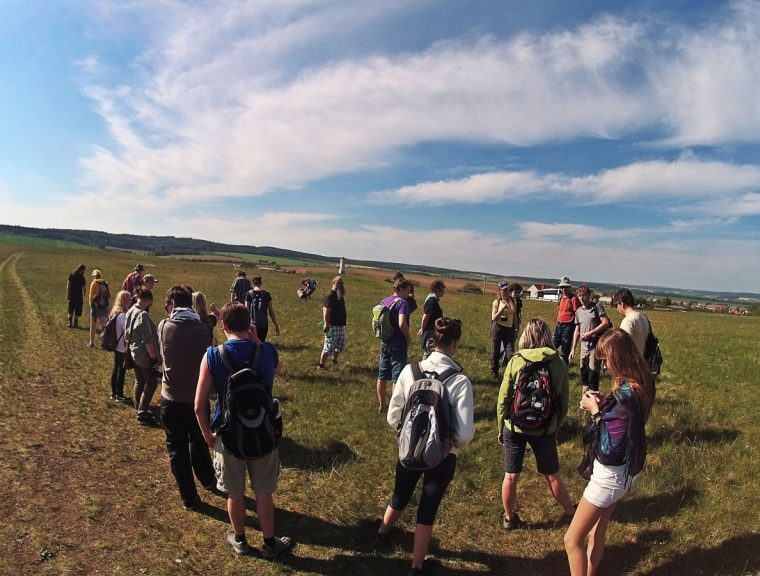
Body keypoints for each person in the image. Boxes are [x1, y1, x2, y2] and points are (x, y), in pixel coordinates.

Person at [375, 317, 475, 576]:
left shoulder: (410, 371)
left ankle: (382, 531)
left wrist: (406, 434)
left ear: (432, 339)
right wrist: (451, 445)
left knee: (400, 493)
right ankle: (416, 566)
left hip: (409, 448)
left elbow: (392, 415)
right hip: (442, 455)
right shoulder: (459, 381)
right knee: (427, 508)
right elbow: (465, 433)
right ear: (455, 343)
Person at [194, 301, 293, 558]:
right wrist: (258, 341)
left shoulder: (212, 355)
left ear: (223, 326)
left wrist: (207, 434)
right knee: (264, 492)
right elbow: (278, 369)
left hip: (228, 434)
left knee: (235, 492)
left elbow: (199, 405)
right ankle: (270, 543)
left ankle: (240, 539)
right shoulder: (266, 351)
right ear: (249, 325)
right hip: (263, 432)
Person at [564, 329, 655, 576]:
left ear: (618, 357)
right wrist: (607, 405)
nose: (605, 366)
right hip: (627, 472)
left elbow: (611, 446)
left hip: (609, 476)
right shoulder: (642, 384)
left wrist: (595, 412)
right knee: (597, 531)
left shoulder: (624, 395)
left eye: (606, 360)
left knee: (572, 540)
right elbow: (626, 424)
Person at [496, 317, 576, 530]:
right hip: (544, 428)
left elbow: (503, 397)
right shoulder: (558, 363)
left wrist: (501, 426)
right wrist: (556, 425)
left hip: (514, 425)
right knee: (552, 474)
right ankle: (570, 511)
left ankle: (509, 518)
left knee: (511, 475)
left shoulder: (516, 360)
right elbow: (563, 400)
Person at [157, 286, 217, 509]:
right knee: (200, 442)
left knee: (177, 450)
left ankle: (188, 497)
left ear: (172, 304)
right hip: (197, 399)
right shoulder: (204, 330)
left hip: (170, 399)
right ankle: (207, 478)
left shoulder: (163, 326)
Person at [125, 288, 161, 426]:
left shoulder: (131, 310)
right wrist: (153, 358)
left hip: (134, 352)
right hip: (144, 354)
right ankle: (142, 412)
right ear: (148, 300)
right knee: (151, 383)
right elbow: (147, 340)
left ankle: (138, 406)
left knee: (139, 380)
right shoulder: (143, 315)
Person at [376, 279, 413, 412]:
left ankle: (382, 405)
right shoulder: (402, 303)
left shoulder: (385, 300)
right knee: (397, 377)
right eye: (408, 290)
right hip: (398, 342)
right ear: (401, 289)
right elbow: (402, 323)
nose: (409, 293)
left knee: (382, 376)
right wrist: (408, 338)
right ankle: (394, 409)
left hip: (385, 341)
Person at [569, 285, 611, 394]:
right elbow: (577, 331)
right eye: (579, 296)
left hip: (595, 346)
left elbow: (605, 322)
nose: (581, 298)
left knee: (593, 374)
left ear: (589, 295)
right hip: (583, 348)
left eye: (583, 295)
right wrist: (573, 349)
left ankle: (594, 397)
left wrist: (591, 333)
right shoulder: (578, 311)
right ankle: (584, 397)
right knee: (584, 373)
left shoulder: (597, 307)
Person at [107, 290, 133, 403]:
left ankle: (114, 393)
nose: (131, 301)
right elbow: (127, 333)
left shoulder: (115, 313)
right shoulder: (124, 316)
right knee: (121, 371)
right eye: (129, 299)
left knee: (116, 368)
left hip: (116, 345)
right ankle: (119, 394)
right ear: (124, 301)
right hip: (122, 347)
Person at [490, 281, 517, 380]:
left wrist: (516, 328)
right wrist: (502, 309)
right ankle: (494, 372)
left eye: (507, 290)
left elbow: (515, 315)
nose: (506, 292)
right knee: (496, 350)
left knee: (510, 351)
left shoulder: (512, 301)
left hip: (509, 329)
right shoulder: (496, 302)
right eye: (503, 290)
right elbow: (493, 318)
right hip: (498, 328)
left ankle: (511, 373)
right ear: (499, 292)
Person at [319, 276, 347, 369]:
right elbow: (325, 310)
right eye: (338, 283)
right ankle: (321, 365)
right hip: (331, 326)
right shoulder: (330, 296)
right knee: (328, 346)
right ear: (333, 283)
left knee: (339, 345)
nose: (341, 285)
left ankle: (334, 360)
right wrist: (326, 324)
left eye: (342, 283)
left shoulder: (340, 296)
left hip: (340, 325)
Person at [613, 289, 650, 356]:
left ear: (622, 304)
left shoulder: (628, 321)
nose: (617, 309)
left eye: (616, 305)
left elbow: (623, 347)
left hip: (631, 360)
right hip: (643, 360)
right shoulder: (644, 318)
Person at [553, 276, 580, 363]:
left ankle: (564, 366)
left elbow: (577, 313)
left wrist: (577, 327)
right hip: (559, 324)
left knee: (565, 349)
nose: (563, 289)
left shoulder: (573, 298)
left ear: (569, 287)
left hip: (568, 326)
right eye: (562, 287)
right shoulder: (561, 297)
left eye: (565, 287)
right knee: (553, 345)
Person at [245, 276, 280, 342]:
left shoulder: (248, 294)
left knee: (252, 343)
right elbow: (271, 311)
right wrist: (276, 325)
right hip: (264, 325)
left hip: (252, 325)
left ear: (252, 284)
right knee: (261, 342)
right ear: (261, 283)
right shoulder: (266, 294)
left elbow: (246, 311)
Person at [418, 280, 445, 355]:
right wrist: (422, 329)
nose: (443, 292)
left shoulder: (433, 300)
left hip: (432, 330)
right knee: (429, 352)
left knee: (431, 352)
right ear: (436, 290)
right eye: (441, 290)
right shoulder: (432, 301)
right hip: (430, 330)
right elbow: (425, 317)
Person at [88, 269, 110, 347]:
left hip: (95, 306)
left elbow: (91, 296)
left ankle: (91, 342)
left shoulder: (94, 283)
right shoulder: (105, 283)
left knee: (93, 325)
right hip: (104, 307)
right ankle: (103, 342)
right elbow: (108, 296)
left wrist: (91, 305)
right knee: (103, 325)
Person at [66, 264, 87, 328]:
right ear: (82, 270)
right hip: (78, 296)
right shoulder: (82, 277)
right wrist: (84, 294)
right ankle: (75, 324)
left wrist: (67, 293)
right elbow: (84, 287)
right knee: (77, 309)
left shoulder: (72, 274)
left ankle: (70, 323)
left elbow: (68, 284)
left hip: (71, 294)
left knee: (71, 308)